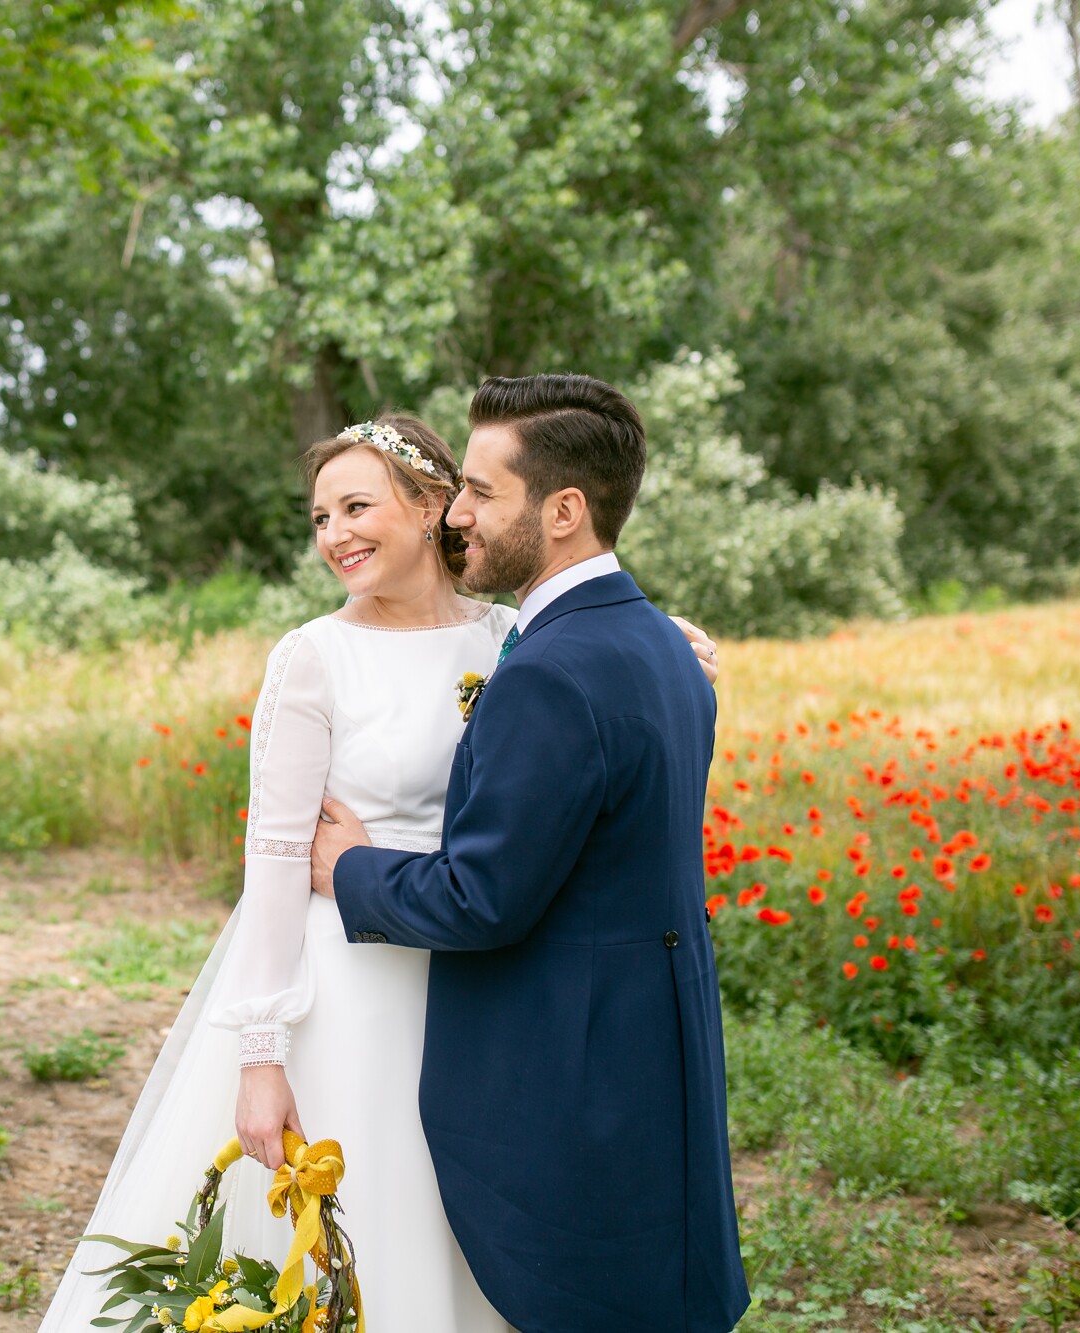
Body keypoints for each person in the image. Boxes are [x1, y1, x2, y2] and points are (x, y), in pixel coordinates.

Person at [37, 412, 723, 1331]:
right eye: (320, 518)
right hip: (350, 991)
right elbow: (277, 863)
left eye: (356, 506)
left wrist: (671, 637)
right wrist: (261, 1057)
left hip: (482, 991)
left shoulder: (510, 635)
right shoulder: (314, 658)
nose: (335, 535)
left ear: (434, 505)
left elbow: (590, 666)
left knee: (474, 1225)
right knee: (363, 1227)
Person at [310, 375, 750, 1332]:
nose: (456, 513)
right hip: (657, 1047)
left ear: (563, 510)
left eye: (479, 491)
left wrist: (350, 866)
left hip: (571, 1063)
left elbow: (482, 897)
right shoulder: (662, 644)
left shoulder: (550, 671)